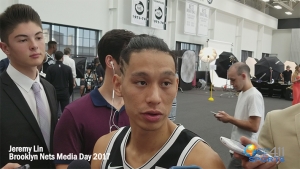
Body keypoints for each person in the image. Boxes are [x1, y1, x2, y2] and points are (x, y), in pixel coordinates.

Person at [91, 35, 225, 169]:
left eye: (166, 83)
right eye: (141, 82)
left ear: (176, 86)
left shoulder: (203, 161)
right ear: (119, 85)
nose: (155, 98)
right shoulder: (103, 148)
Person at [53, 29, 134, 169]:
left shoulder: (142, 109)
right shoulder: (74, 114)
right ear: (110, 61)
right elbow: (64, 165)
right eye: (131, 57)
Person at [0, 4, 58, 169]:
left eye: (39, 37)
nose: (34, 45)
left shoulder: (48, 89)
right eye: (23, 40)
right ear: (5, 48)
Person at [214, 62, 265, 169]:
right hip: (238, 147)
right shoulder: (242, 93)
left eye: (233, 79)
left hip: (246, 149)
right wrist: (227, 117)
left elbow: (254, 126)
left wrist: (229, 119)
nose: (231, 83)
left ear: (243, 76)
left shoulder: (254, 96)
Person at [46, 51, 73, 117]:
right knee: (65, 112)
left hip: (54, 93)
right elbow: (71, 82)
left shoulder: (50, 68)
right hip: (65, 92)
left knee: (54, 112)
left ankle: (55, 126)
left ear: (54, 58)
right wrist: (69, 92)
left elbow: (48, 82)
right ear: (62, 58)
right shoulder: (68, 68)